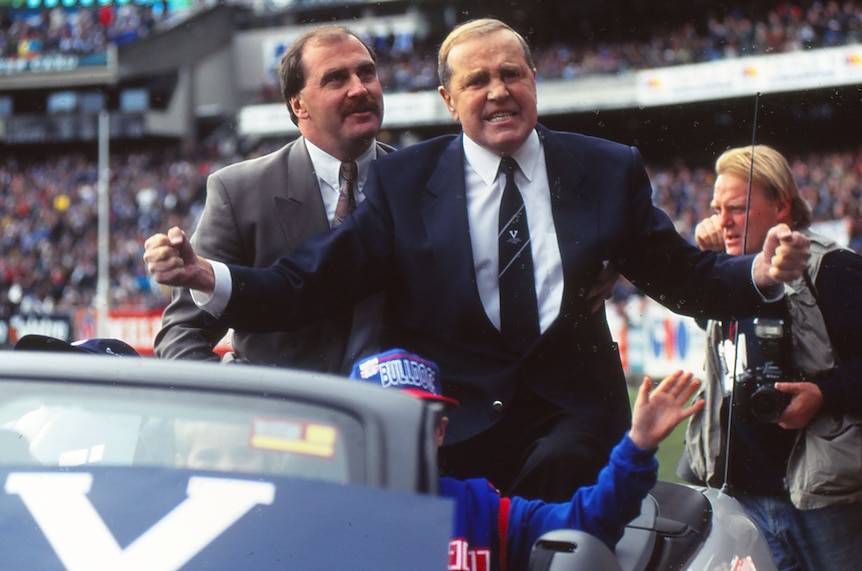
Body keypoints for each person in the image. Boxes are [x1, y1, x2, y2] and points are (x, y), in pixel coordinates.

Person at [143, 18, 810, 502]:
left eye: (511, 74)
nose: (497, 91)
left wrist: (763, 274)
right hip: (452, 433)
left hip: (569, 425)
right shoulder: (405, 184)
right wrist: (208, 275)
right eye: (478, 79)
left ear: (534, 81)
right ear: (448, 99)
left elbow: (683, 276)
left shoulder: (605, 169)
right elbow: (309, 280)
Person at [154, 25, 392, 372]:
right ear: (299, 105)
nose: (359, 89)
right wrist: (225, 411)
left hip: (389, 418)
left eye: (366, 73)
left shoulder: (417, 181)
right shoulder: (239, 191)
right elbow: (183, 332)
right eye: (336, 79)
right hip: (276, 421)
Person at [349, 348, 704, 571]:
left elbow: (581, 526)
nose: (402, 433)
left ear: (440, 431)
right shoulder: (325, 511)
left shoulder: (479, 507)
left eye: (416, 418)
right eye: (387, 418)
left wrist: (637, 445)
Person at [681, 144, 862, 571]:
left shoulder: (831, 270)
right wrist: (708, 261)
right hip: (742, 500)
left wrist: (825, 395)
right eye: (716, 208)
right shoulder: (724, 271)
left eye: (737, 209)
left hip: (823, 499)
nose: (721, 221)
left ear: (781, 206)